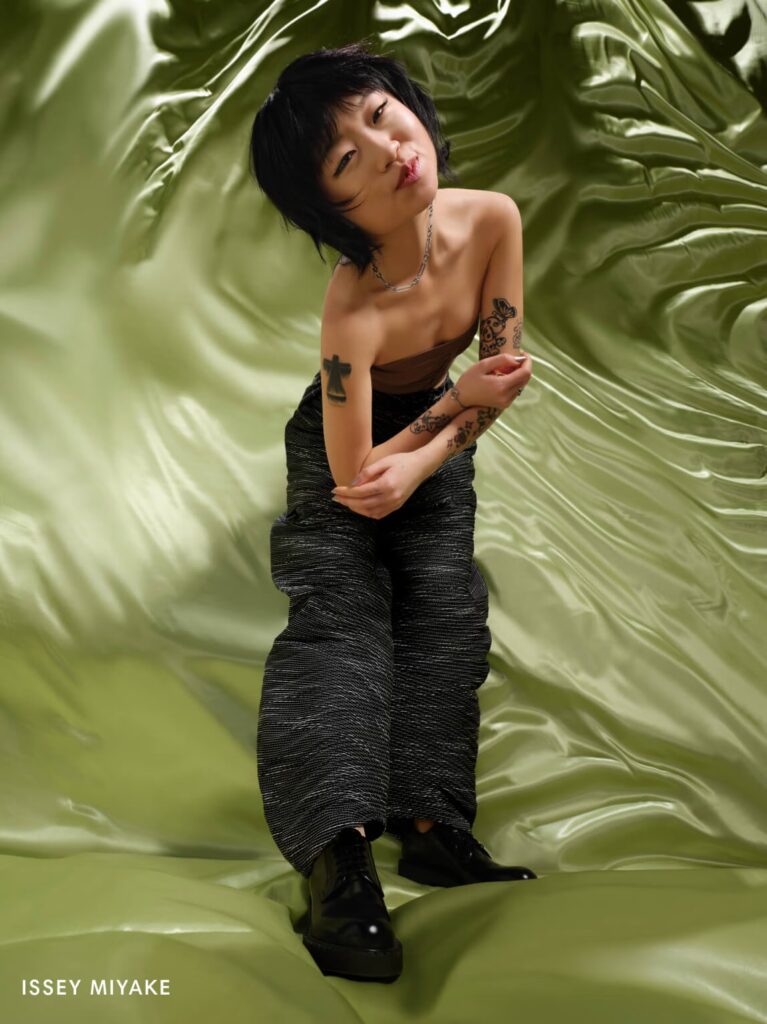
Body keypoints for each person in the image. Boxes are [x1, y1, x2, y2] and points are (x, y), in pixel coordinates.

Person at [249, 38, 536, 983]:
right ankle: (338, 865)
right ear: (329, 211)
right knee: (342, 620)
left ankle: (429, 824)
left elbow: (497, 377)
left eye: (380, 116)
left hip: (432, 437)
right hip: (345, 448)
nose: (387, 151)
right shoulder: (352, 309)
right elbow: (359, 478)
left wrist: (434, 446)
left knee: (446, 611)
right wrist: (438, 432)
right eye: (348, 160)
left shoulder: (491, 219)